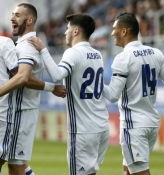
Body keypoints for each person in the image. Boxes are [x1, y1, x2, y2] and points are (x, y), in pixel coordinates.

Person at [0, 3, 66, 175]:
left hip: (22, 111)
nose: (12, 18)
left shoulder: (28, 45)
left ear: (30, 20)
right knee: (13, 165)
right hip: (12, 111)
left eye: (17, 15)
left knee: (13, 165)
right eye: (12, 14)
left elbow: (22, 77)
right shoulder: (17, 43)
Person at [103, 12, 164, 175]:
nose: (112, 33)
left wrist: (95, 82)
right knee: (128, 170)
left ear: (124, 31)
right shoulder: (156, 53)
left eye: (115, 29)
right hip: (151, 124)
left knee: (140, 172)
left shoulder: (123, 58)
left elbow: (112, 95)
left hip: (133, 125)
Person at [29, 14, 109, 175]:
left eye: (67, 28)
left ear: (76, 31)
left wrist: (43, 50)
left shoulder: (73, 53)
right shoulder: (98, 55)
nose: (65, 32)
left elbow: (57, 75)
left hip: (82, 130)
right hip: (102, 128)